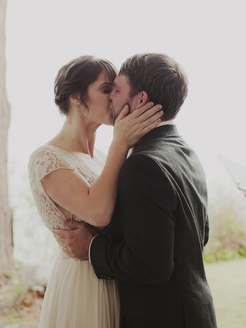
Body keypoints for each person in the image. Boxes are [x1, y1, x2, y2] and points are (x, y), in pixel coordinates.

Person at [54, 53, 218, 328]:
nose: (111, 99)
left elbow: (151, 266)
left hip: (162, 318)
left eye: (116, 90)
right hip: (194, 310)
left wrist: (92, 247)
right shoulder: (183, 151)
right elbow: (200, 236)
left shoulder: (142, 164)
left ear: (140, 99)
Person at [28, 55, 163, 328]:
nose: (114, 97)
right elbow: (99, 213)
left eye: (115, 90)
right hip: (83, 285)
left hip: (116, 278)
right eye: (105, 90)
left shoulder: (103, 157)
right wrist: (120, 144)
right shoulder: (46, 158)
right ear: (77, 96)